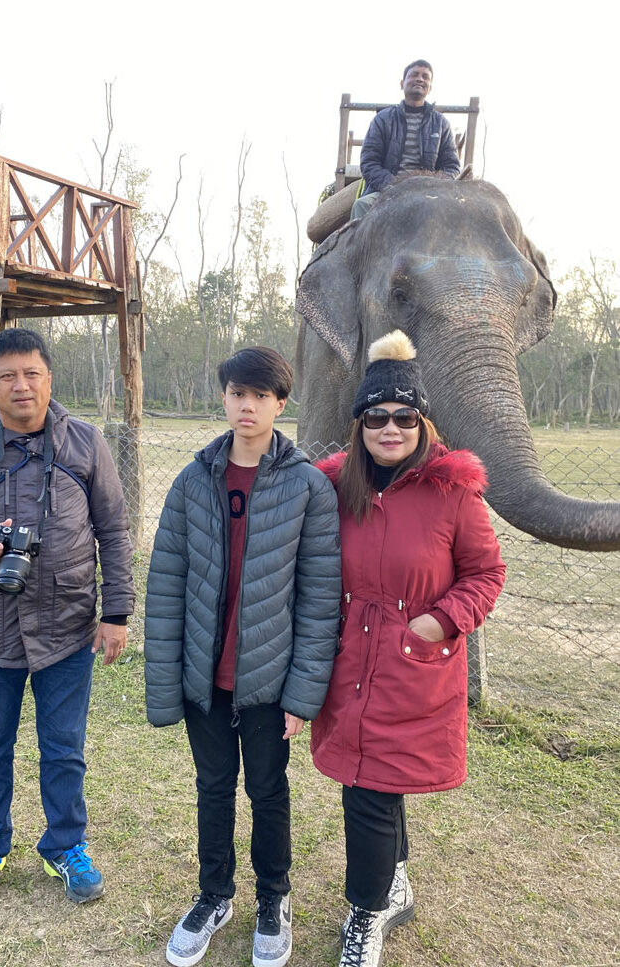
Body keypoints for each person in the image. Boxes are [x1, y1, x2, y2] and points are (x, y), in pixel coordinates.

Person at [0, 327, 135, 910]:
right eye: (7, 376)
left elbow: (114, 531)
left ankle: (65, 845)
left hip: (67, 626)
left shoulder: (86, 444)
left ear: (48, 378)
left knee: (64, 748)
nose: (21, 386)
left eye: (31, 374)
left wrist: (115, 612)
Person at [312, 330, 506, 967]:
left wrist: (443, 621)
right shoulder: (336, 485)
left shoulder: (453, 493)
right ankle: (392, 887)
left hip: (414, 663)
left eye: (403, 417)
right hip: (351, 660)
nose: (389, 429)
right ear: (359, 424)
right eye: (375, 417)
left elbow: (486, 573)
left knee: (370, 788)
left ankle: (366, 912)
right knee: (375, 783)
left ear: (422, 422)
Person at [144, 346, 341, 967]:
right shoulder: (192, 480)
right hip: (205, 678)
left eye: (260, 395)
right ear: (224, 397)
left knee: (267, 789)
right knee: (212, 787)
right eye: (236, 393)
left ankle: (272, 900)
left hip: (270, 683)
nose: (246, 405)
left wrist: (302, 695)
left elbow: (319, 599)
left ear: (281, 404)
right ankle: (214, 894)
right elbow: (166, 584)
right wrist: (167, 682)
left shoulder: (308, 487)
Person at [350, 60, 460, 220]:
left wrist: (434, 186)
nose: (420, 79)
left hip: (430, 193)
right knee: (361, 205)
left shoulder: (441, 123)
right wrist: (391, 184)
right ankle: (359, 246)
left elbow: (452, 166)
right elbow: (369, 162)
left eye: (425, 77)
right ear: (402, 83)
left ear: (430, 87)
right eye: (414, 75)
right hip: (387, 191)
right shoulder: (383, 119)